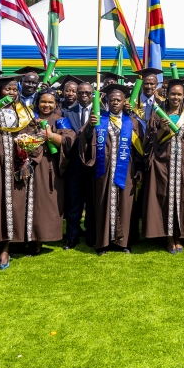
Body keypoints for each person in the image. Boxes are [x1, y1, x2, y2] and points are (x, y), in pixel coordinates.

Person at [142, 79, 184, 253]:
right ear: (167, 94)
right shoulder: (157, 115)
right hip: (162, 165)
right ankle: (169, 238)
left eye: (179, 94)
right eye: (173, 94)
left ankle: (180, 236)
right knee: (165, 199)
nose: (176, 97)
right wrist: (162, 130)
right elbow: (148, 142)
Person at [78, 82, 146, 255]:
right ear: (107, 102)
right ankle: (103, 242)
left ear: (125, 102)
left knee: (126, 205)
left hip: (127, 171)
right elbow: (84, 141)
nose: (115, 102)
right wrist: (90, 128)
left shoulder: (132, 122)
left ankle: (124, 242)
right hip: (103, 171)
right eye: (112, 99)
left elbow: (139, 150)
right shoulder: (97, 119)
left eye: (119, 99)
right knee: (102, 204)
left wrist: (139, 168)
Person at [0, 75, 36, 270]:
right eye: (7, 89)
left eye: (15, 89)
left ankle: (5, 248)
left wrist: (26, 161)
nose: (12, 93)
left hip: (15, 165)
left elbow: (32, 137)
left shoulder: (25, 112)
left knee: (13, 206)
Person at [27, 90, 75, 249]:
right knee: (28, 201)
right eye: (43, 102)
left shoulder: (61, 121)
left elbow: (69, 142)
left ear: (56, 104)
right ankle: (27, 236)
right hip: (29, 165)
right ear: (37, 102)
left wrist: (50, 136)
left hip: (50, 166)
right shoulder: (29, 118)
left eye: (50, 102)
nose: (46, 105)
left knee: (46, 203)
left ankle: (41, 238)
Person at [61, 79, 96, 248]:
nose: (83, 96)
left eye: (87, 93)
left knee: (91, 202)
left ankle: (91, 235)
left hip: (94, 164)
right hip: (74, 164)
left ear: (92, 94)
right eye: (80, 92)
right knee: (74, 202)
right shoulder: (67, 111)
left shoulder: (101, 112)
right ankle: (72, 236)